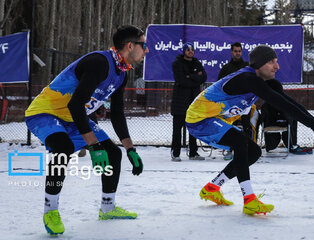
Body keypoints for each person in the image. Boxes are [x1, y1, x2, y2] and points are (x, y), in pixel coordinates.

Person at [25, 25, 148, 235]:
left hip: (72, 117)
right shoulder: (99, 63)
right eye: (143, 45)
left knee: (113, 153)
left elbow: (117, 114)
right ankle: (50, 210)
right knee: (62, 148)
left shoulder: (122, 74)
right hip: (46, 112)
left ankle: (108, 208)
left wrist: (130, 149)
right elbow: (75, 105)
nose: (146, 50)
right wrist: (93, 145)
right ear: (130, 46)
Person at [185, 45, 314, 215]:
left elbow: (289, 102)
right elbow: (279, 102)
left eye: (277, 62)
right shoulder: (247, 78)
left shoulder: (262, 82)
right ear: (259, 64)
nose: (277, 67)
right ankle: (249, 200)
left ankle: (212, 187)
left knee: (253, 152)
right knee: (240, 142)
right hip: (199, 119)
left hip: (214, 119)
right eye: (272, 62)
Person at [170, 42, 207, 162]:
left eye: (192, 49)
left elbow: (204, 77)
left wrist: (189, 76)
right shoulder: (177, 64)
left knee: (193, 128)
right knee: (177, 130)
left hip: (194, 102)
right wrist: (195, 77)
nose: (190, 51)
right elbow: (181, 80)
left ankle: (193, 153)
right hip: (180, 102)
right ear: (184, 51)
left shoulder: (197, 63)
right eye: (188, 49)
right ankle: (175, 153)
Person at [261, 79, 313, 154]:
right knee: (293, 117)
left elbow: (262, 118)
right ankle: (292, 144)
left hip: (269, 125)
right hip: (283, 124)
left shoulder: (265, 104)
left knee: (291, 118)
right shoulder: (283, 102)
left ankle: (287, 144)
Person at [217, 42, 250, 160]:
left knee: (247, 126)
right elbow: (219, 85)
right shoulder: (226, 68)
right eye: (235, 51)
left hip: (245, 102)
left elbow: (254, 82)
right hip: (230, 102)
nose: (237, 53)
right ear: (231, 52)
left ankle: (248, 150)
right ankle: (229, 150)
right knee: (230, 126)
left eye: (239, 51)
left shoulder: (247, 67)